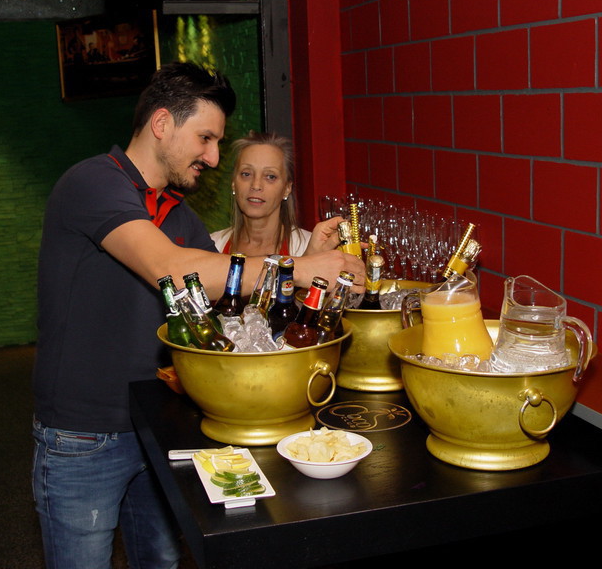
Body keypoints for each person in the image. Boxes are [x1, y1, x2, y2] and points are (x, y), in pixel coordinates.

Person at [32, 61, 364, 569]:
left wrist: (315, 280)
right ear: (162, 123)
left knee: (162, 561)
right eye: (205, 139)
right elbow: (168, 268)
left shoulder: (180, 216)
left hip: (157, 425)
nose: (212, 157)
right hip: (84, 436)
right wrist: (298, 267)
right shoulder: (93, 182)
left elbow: (237, 315)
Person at [210, 131, 312, 256]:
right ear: (233, 183)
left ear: (287, 188)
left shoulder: (310, 249)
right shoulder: (212, 246)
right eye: (246, 174)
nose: (256, 185)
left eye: (270, 176)